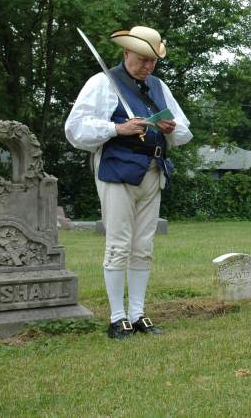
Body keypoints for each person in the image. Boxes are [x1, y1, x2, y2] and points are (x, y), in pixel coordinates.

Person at [65, 25, 192, 339]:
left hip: (153, 169)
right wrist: (116, 129)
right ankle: (117, 316)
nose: (148, 66)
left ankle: (137, 314)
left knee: (143, 245)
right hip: (117, 169)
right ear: (126, 53)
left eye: (153, 61)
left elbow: (185, 131)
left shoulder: (159, 87)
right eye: (142, 59)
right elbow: (75, 128)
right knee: (119, 243)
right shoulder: (103, 83)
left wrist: (170, 127)